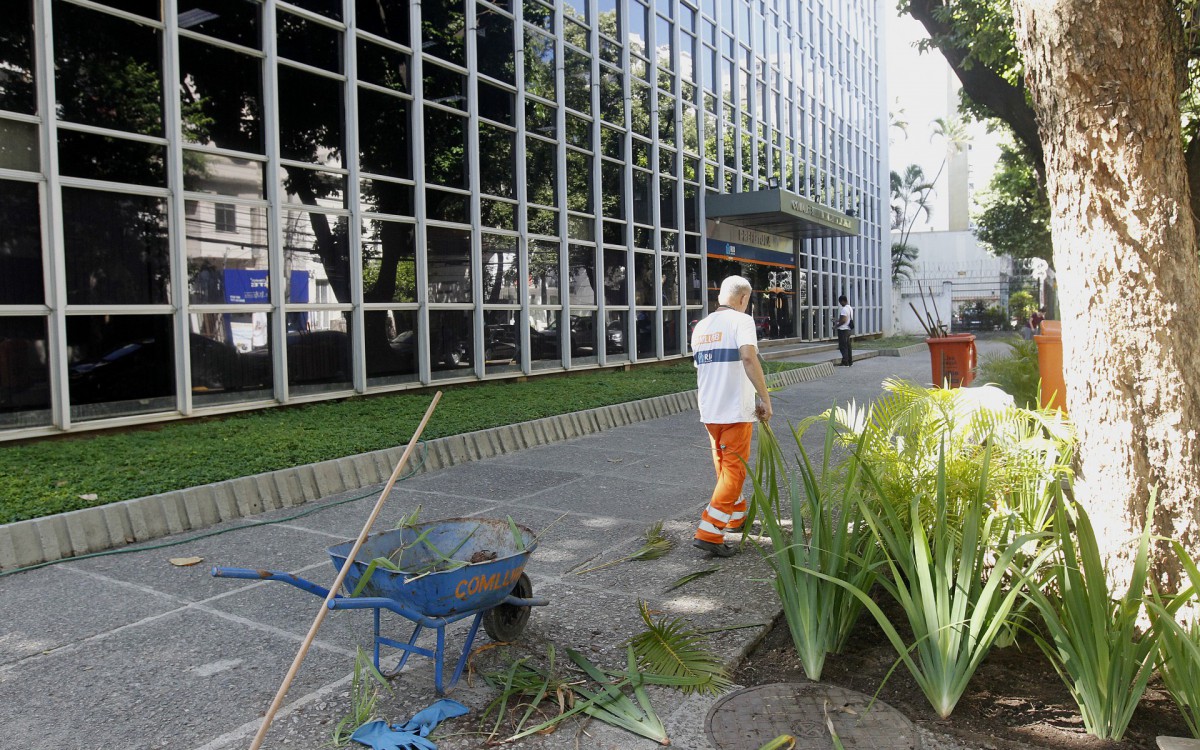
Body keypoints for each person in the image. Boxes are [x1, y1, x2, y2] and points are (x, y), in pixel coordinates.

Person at [690, 276, 773, 557]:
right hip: (735, 409)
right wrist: (765, 397)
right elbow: (749, 358)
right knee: (735, 471)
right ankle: (709, 531)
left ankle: (734, 517)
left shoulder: (701, 326)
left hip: (709, 410)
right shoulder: (742, 321)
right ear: (743, 299)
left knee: (725, 470)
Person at [836, 295, 854, 366]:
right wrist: (837, 320)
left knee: (843, 346)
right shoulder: (850, 308)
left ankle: (845, 361)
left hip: (843, 329)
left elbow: (843, 320)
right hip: (848, 329)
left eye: (840, 302)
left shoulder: (844, 309)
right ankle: (850, 361)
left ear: (843, 301)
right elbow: (847, 319)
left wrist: (836, 326)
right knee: (848, 346)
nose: (840, 304)